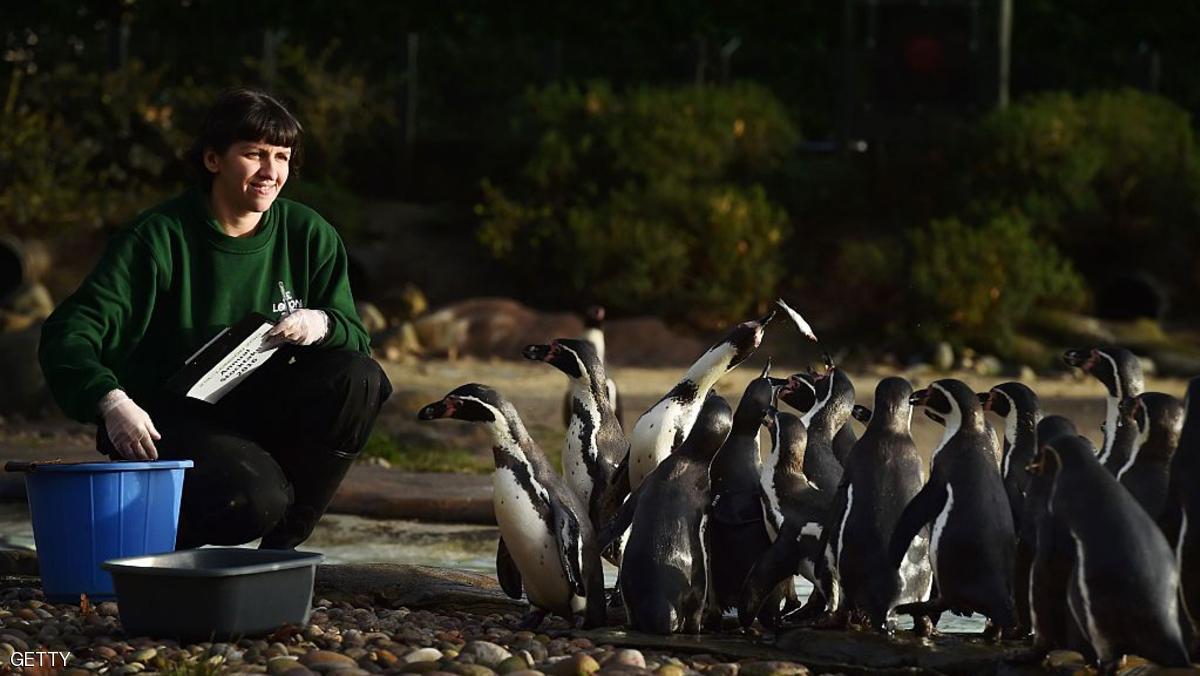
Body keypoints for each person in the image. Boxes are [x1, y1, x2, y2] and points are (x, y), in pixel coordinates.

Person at [38, 88, 391, 550]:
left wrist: (319, 323)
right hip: (164, 421)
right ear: (212, 160)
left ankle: (280, 550)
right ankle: (145, 545)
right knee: (253, 502)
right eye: (254, 154)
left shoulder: (309, 233)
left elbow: (354, 337)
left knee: (360, 377)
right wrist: (109, 401)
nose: (271, 172)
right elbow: (68, 333)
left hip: (259, 405)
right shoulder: (157, 237)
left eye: (282, 157)